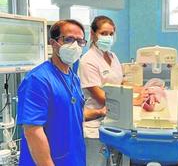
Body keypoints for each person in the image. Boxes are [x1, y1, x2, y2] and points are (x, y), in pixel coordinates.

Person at [79, 15, 147, 166]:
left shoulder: (112, 56)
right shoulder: (87, 61)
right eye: (103, 33)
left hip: (114, 123)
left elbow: (120, 83)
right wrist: (134, 101)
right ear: (93, 33)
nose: (108, 37)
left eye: (111, 34)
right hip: (95, 127)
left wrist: (143, 89)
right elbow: (101, 97)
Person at [17, 19, 87, 166]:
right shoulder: (38, 79)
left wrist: (102, 111)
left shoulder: (74, 78)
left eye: (80, 41)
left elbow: (70, 113)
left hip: (73, 157)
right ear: (53, 42)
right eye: (68, 39)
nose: (75, 45)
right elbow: (32, 131)